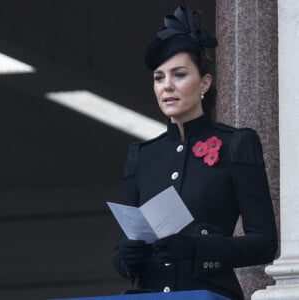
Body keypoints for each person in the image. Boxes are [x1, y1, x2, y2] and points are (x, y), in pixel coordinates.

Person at [112, 2, 277, 300]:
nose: (167, 87)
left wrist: (198, 250)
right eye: (159, 77)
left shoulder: (237, 144)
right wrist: (126, 257)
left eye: (179, 74)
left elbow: (264, 243)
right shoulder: (142, 155)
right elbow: (125, 250)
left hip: (210, 293)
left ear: (204, 82)